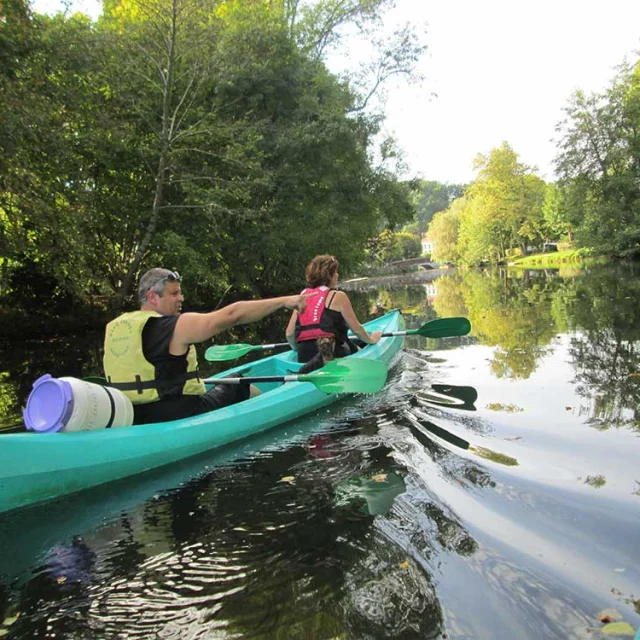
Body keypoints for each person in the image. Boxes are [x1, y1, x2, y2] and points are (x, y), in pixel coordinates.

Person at [104, 268, 311, 425]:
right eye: (174, 294)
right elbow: (233, 315)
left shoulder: (116, 326)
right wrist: (285, 301)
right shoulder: (170, 326)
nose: (181, 298)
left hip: (133, 416)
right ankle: (271, 410)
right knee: (237, 383)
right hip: (179, 415)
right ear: (152, 297)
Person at [285, 255, 382, 373]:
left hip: (304, 355)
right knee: (358, 347)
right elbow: (357, 330)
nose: (337, 275)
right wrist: (371, 339)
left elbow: (289, 334)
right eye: (335, 272)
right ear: (329, 275)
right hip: (332, 352)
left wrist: (297, 349)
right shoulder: (338, 296)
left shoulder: (302, 297)